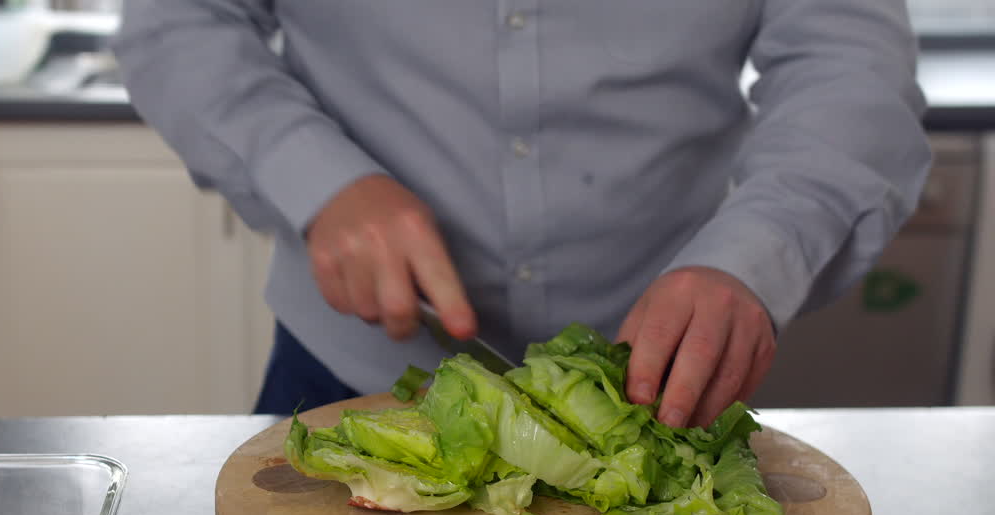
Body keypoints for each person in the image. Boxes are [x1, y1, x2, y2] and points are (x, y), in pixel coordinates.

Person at [112, 1, 932, 427]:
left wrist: (756, 254)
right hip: (350, 374)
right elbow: (184, 19)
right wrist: (312, 175)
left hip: (661, 387)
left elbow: (848, 64)